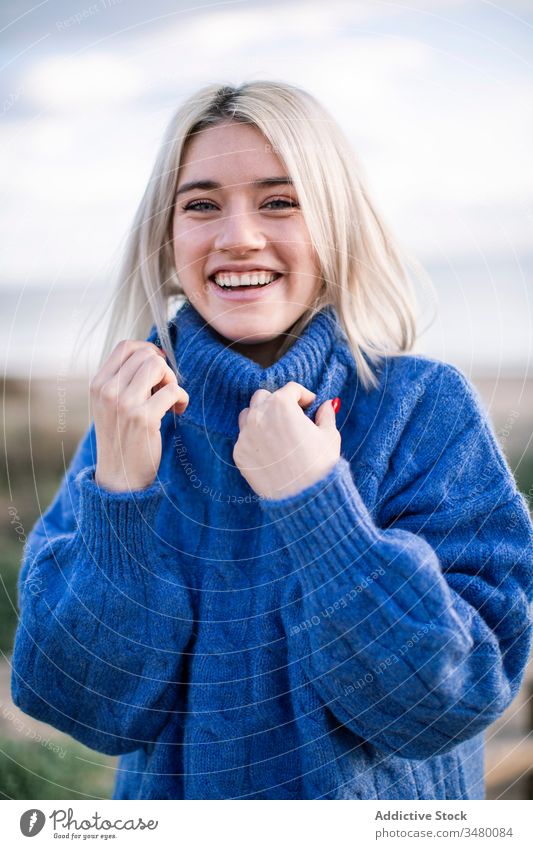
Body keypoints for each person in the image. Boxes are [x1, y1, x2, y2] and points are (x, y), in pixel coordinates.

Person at [11, 81, 533, 801]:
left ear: (335, 225)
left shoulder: (422, 407)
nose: (238, 237)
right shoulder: (130, 421)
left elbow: (452, 697)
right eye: (200, 204)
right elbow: (81, 705)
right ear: (167, 240)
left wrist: (317, 507)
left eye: (279, 201)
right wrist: (120, 499)